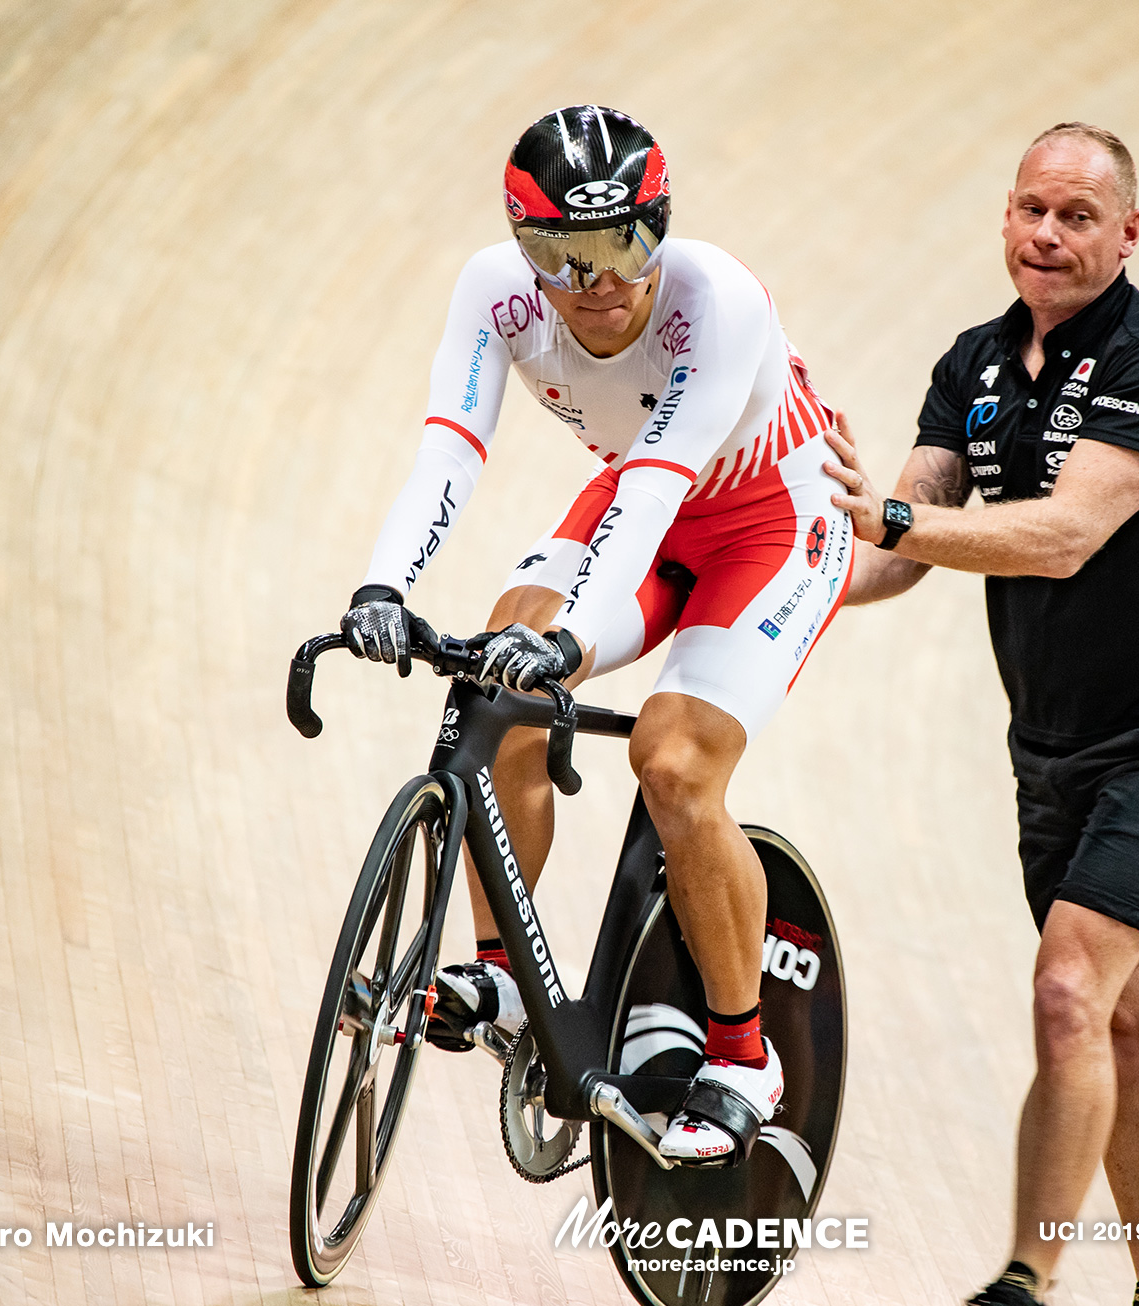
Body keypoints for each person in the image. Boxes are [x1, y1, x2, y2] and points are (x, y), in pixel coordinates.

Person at [341, 105, 853, 1164]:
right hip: (640, 507)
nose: (599, 280)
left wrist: (574, 647)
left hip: (770, 521)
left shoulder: (718, 300)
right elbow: (450, 449)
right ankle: (501, 978)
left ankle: (743, 1050)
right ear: (523, 250)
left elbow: (663, 478)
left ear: (660, 223)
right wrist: (381, 583)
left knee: (672, 760)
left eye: (626, 242)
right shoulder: (493, 293)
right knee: (496, 668)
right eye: (562, 257)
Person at [825, 123, 1139, 1306]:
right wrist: (790, 583)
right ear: (1004, 218)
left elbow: (1060, 537)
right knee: (1124, 1030)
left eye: (1078, 217)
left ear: (1129, 233)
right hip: (1052, 749)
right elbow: (894, 551)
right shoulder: (970, 364)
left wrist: (894, 524)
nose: (1049, 236)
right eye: (1032, 210)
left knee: (1068, 988)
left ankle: (1025, 1277)